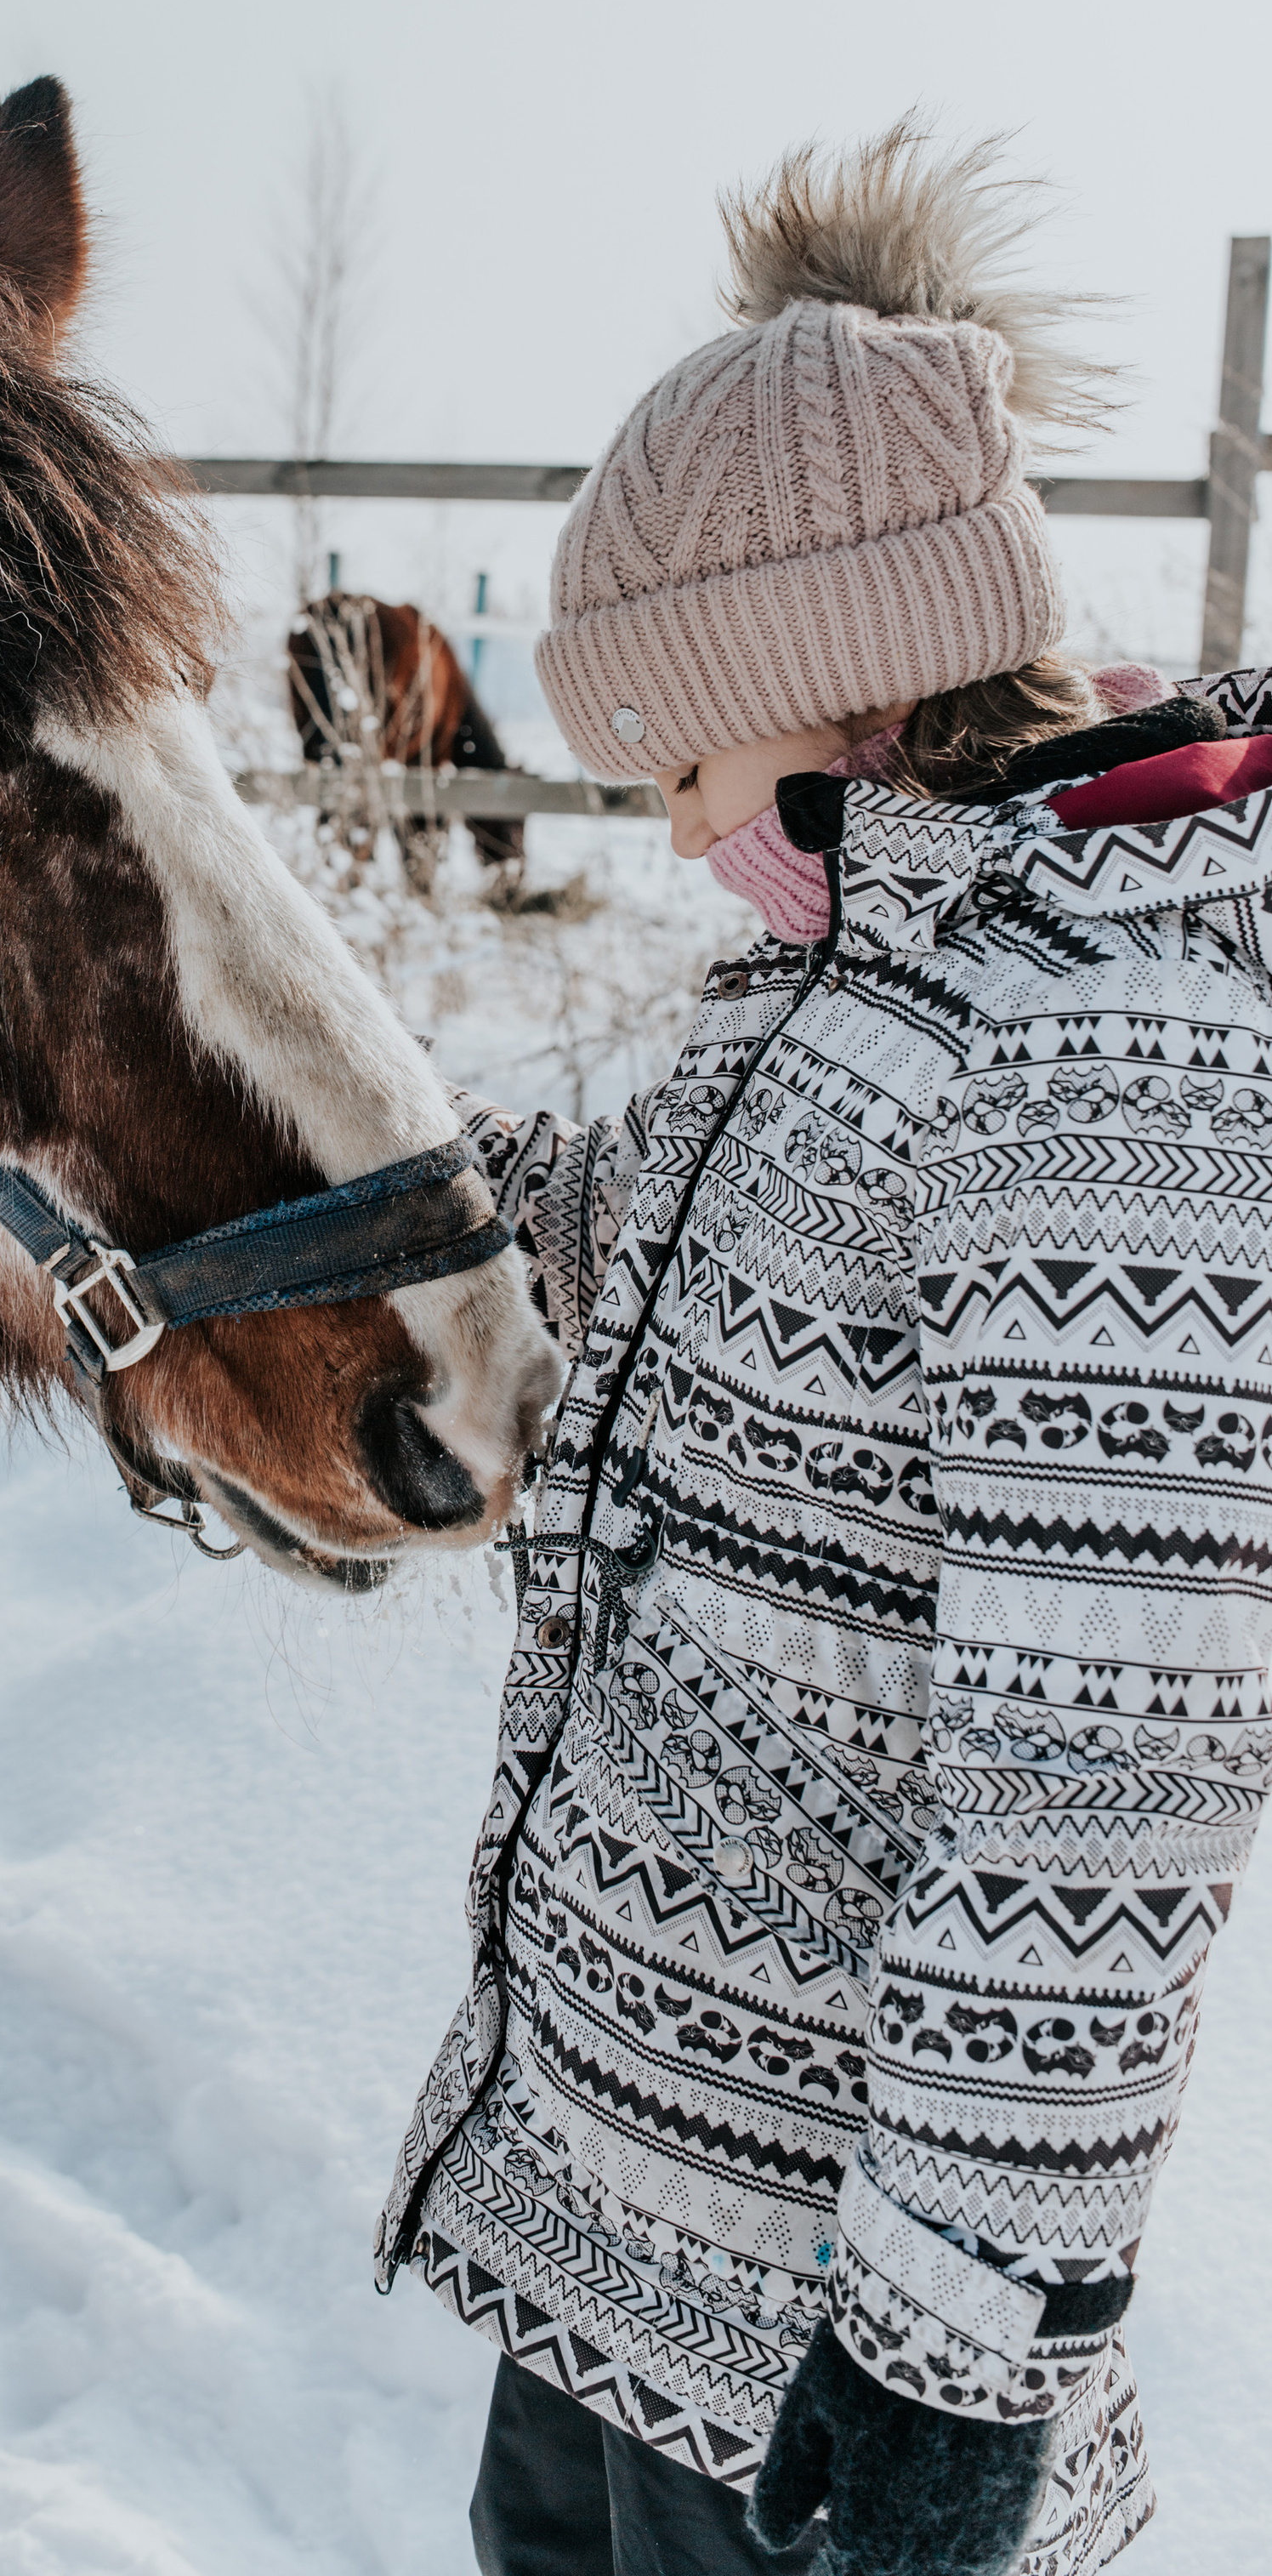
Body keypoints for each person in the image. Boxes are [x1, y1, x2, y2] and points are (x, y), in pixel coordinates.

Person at [377, 126, 1272, 2576]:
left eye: (676, 765)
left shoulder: (1109, 1066)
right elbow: (640, 1259)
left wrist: (953, 2352)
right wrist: (356, 1168)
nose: (668, 838)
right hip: (611, 2213)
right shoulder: (822, 994)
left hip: (825, 2336)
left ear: (836, 686)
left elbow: (1104, 1781)